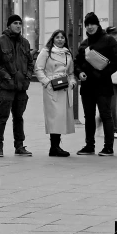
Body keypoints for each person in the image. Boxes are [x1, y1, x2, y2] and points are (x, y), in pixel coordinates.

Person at [74, 12, 117, 157]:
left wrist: (104, 72)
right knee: (89, 116)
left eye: (92, 24)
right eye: (87, 25)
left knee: (106, 115)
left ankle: (108, 147)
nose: (89, 27)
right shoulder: (84, 43)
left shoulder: (108, 40)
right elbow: (77, 62)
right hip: (87, 86)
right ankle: (89, 146)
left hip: (103, 85)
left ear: (97, 24)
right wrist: (79, 73)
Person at [0, 14, 34, 157]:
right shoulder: (0, 42)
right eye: (15, 23)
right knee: (2, 116)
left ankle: (19, 146)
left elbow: (30, 62)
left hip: (21, 87)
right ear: (9, 25)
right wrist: (6, 76)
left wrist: (27, 77)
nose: (18, 26)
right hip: (6, 87)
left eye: (20, 23)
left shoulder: (25, 43)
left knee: (19, 117)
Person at [34, 29, 76, 157]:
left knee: (61, 117)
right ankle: (54, 147)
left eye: (62, 37)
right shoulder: (46, 52)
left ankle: (56, 146)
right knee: (54, 117)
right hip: (52, 87)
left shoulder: (67, 53)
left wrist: (73, 81)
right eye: (57, 37)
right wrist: (46, 82)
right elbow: (38, 68)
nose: (60, 39)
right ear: (53, 39)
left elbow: (70, 71)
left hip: (64, 87)